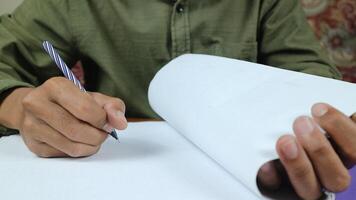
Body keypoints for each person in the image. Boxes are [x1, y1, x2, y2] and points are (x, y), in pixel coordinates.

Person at [0, 0, 353, 199]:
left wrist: (324, 123)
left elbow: (307, 75)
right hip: (118, 172)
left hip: (248, 173)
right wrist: (18, 105)